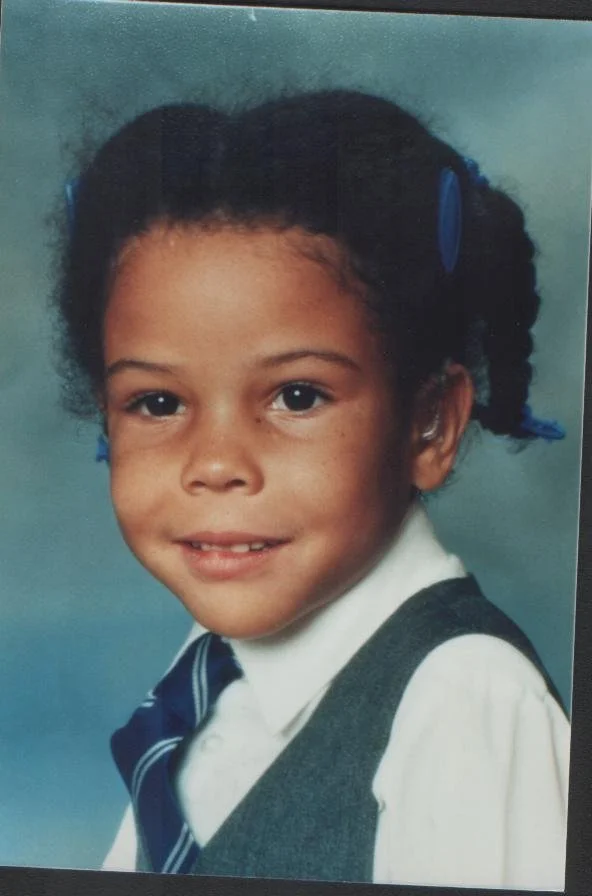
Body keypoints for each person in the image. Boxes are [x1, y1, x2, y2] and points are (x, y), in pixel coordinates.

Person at [55, 90, 569, 890]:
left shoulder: (466, 702)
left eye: (297, 396)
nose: (215, 464)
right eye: (157, 402)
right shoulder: (210, 669)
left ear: (430, 425)